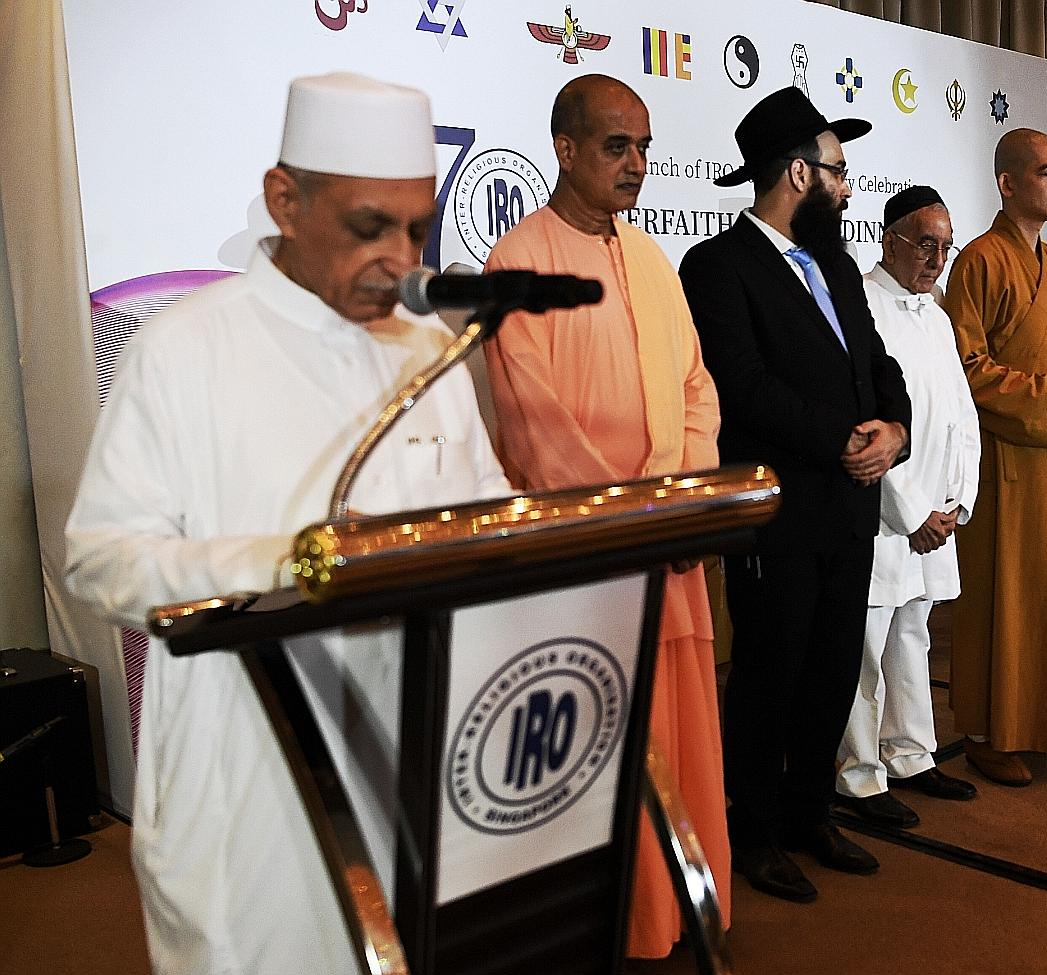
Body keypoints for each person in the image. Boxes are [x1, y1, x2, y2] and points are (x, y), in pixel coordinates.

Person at [64, 73, 512, 974]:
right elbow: (100, 562)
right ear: (285, 199)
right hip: (246, 776)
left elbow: (488, 522)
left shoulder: (431, 351)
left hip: (414, 752)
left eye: (417, 229)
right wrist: (294, 563)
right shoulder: (181, 350)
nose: (400, 258)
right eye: (367, 227)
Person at [480, 74, 727, 960]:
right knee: (597, 747)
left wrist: (683, 492)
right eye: (618, 146)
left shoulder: (654, 259)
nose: (637, 164)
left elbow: (697, 387)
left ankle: (679, 901)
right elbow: (531, 421)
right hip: (589, 559)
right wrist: (632, 518)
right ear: (565, 150)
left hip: (669, 540)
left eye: (646, 147)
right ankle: (617, 917)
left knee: (681, 737)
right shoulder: (518, 261)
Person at [678, 86, 911, 904]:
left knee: (831, 670)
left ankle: (811, 810)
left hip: (850, 506)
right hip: (780, 509)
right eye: (840, 171)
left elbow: (878, 364)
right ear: (800, 173)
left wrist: (896, 429)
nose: (850, 187)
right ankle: (755, 830)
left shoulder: (838, 265)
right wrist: (840, 439)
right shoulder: (716, 265)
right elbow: (739, 386)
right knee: (771, 673)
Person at [942, 128, 1047, 786]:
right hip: (1009, 456)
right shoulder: (978, 260)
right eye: (1045, 172)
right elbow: (967, 369)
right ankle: (989, 731)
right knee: (1006, 598)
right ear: (1007, 183)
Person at [835, 186, 980, 829]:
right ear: (887, 236)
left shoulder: (936, 315)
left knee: (913, 636)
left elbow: (959, 416)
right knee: (865, 645)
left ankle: (912, 753)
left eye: (945, 248)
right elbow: (865, 423)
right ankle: (859, 775)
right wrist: (911, 510)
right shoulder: (861, 303)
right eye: (925, 244)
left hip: (934, 516)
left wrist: (958, 501)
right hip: (883, 515)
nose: (936, 259)